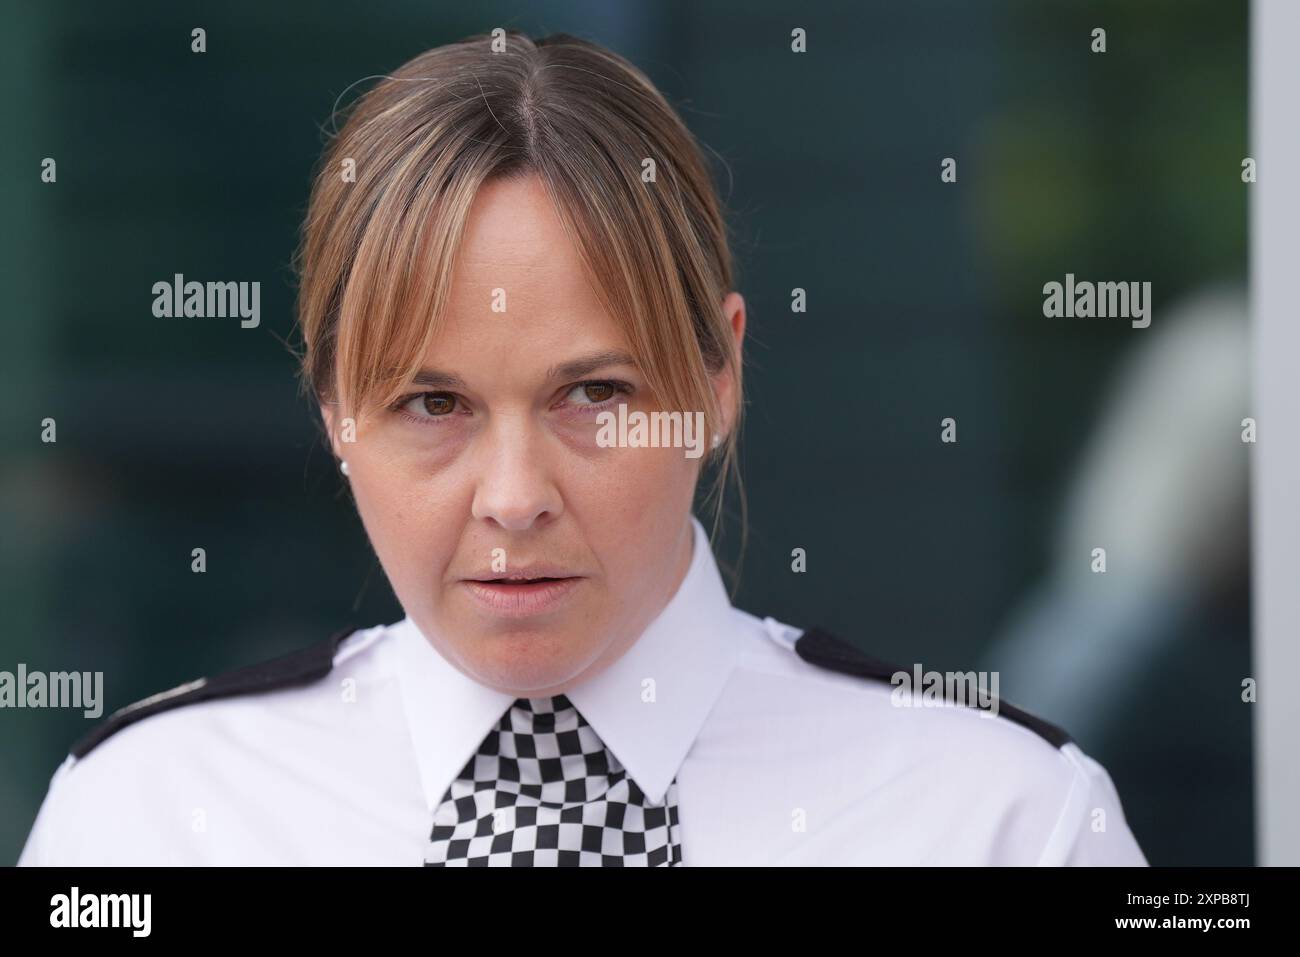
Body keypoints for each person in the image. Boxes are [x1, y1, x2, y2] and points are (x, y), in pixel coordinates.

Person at [18, 31, 1146, 866]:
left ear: (719, 379)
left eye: (593, 394)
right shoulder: (145, 822)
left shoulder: (1002, 824)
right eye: (431, 404)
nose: (513, 500)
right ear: (330, 412)